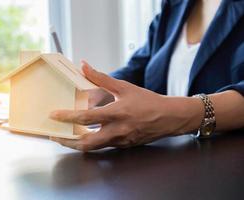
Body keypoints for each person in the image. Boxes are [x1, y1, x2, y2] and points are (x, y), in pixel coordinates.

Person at [50, 0, 244, 151]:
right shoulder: (175, 5)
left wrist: (175, 115)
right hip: (171, 164)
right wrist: (97, 90)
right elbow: (141, 65)